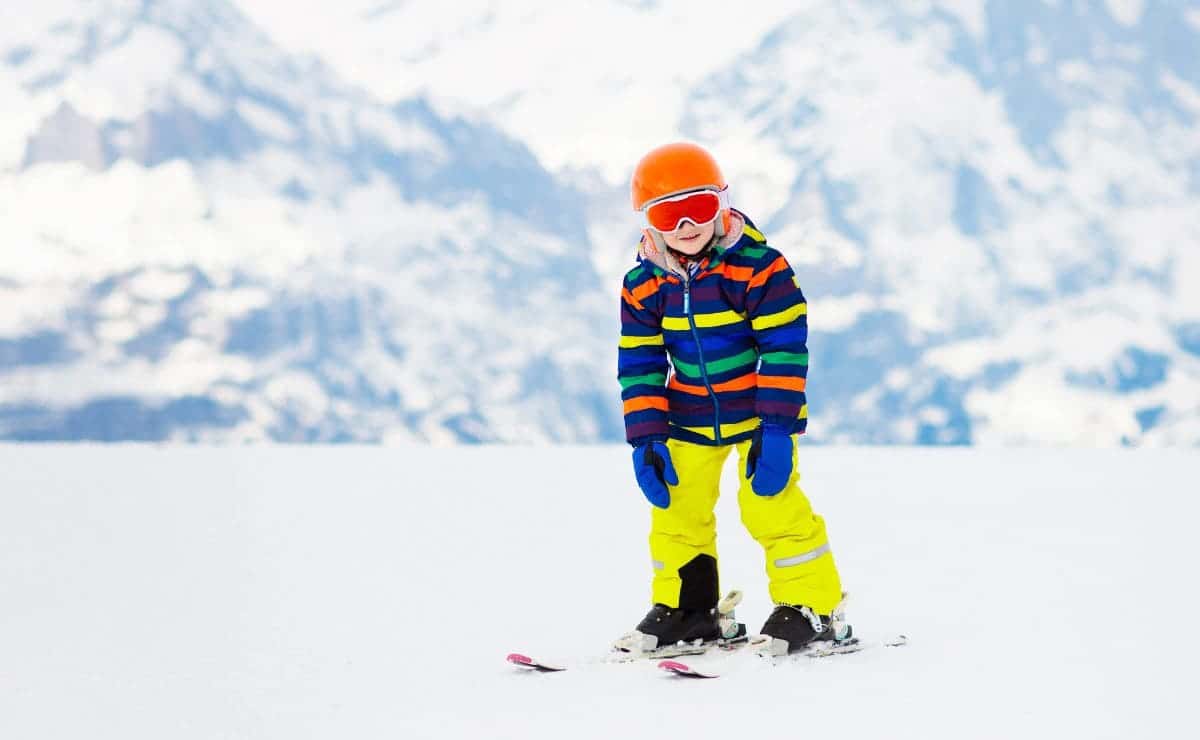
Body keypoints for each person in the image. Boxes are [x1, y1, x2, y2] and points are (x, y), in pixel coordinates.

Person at [617, 141, 848, 654]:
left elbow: (785, 348)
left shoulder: (760, 268)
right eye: (668, 214)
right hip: (687, 419)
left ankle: (812, 607)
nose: (685, 227)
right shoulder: (642, 284)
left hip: (756, 416)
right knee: (677, 512)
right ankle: (688, 611)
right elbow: (640, 365)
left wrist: (777, 428)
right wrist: (647, 438)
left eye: (697, 208)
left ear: (721, 202)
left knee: (770, 506)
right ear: (648, 221)